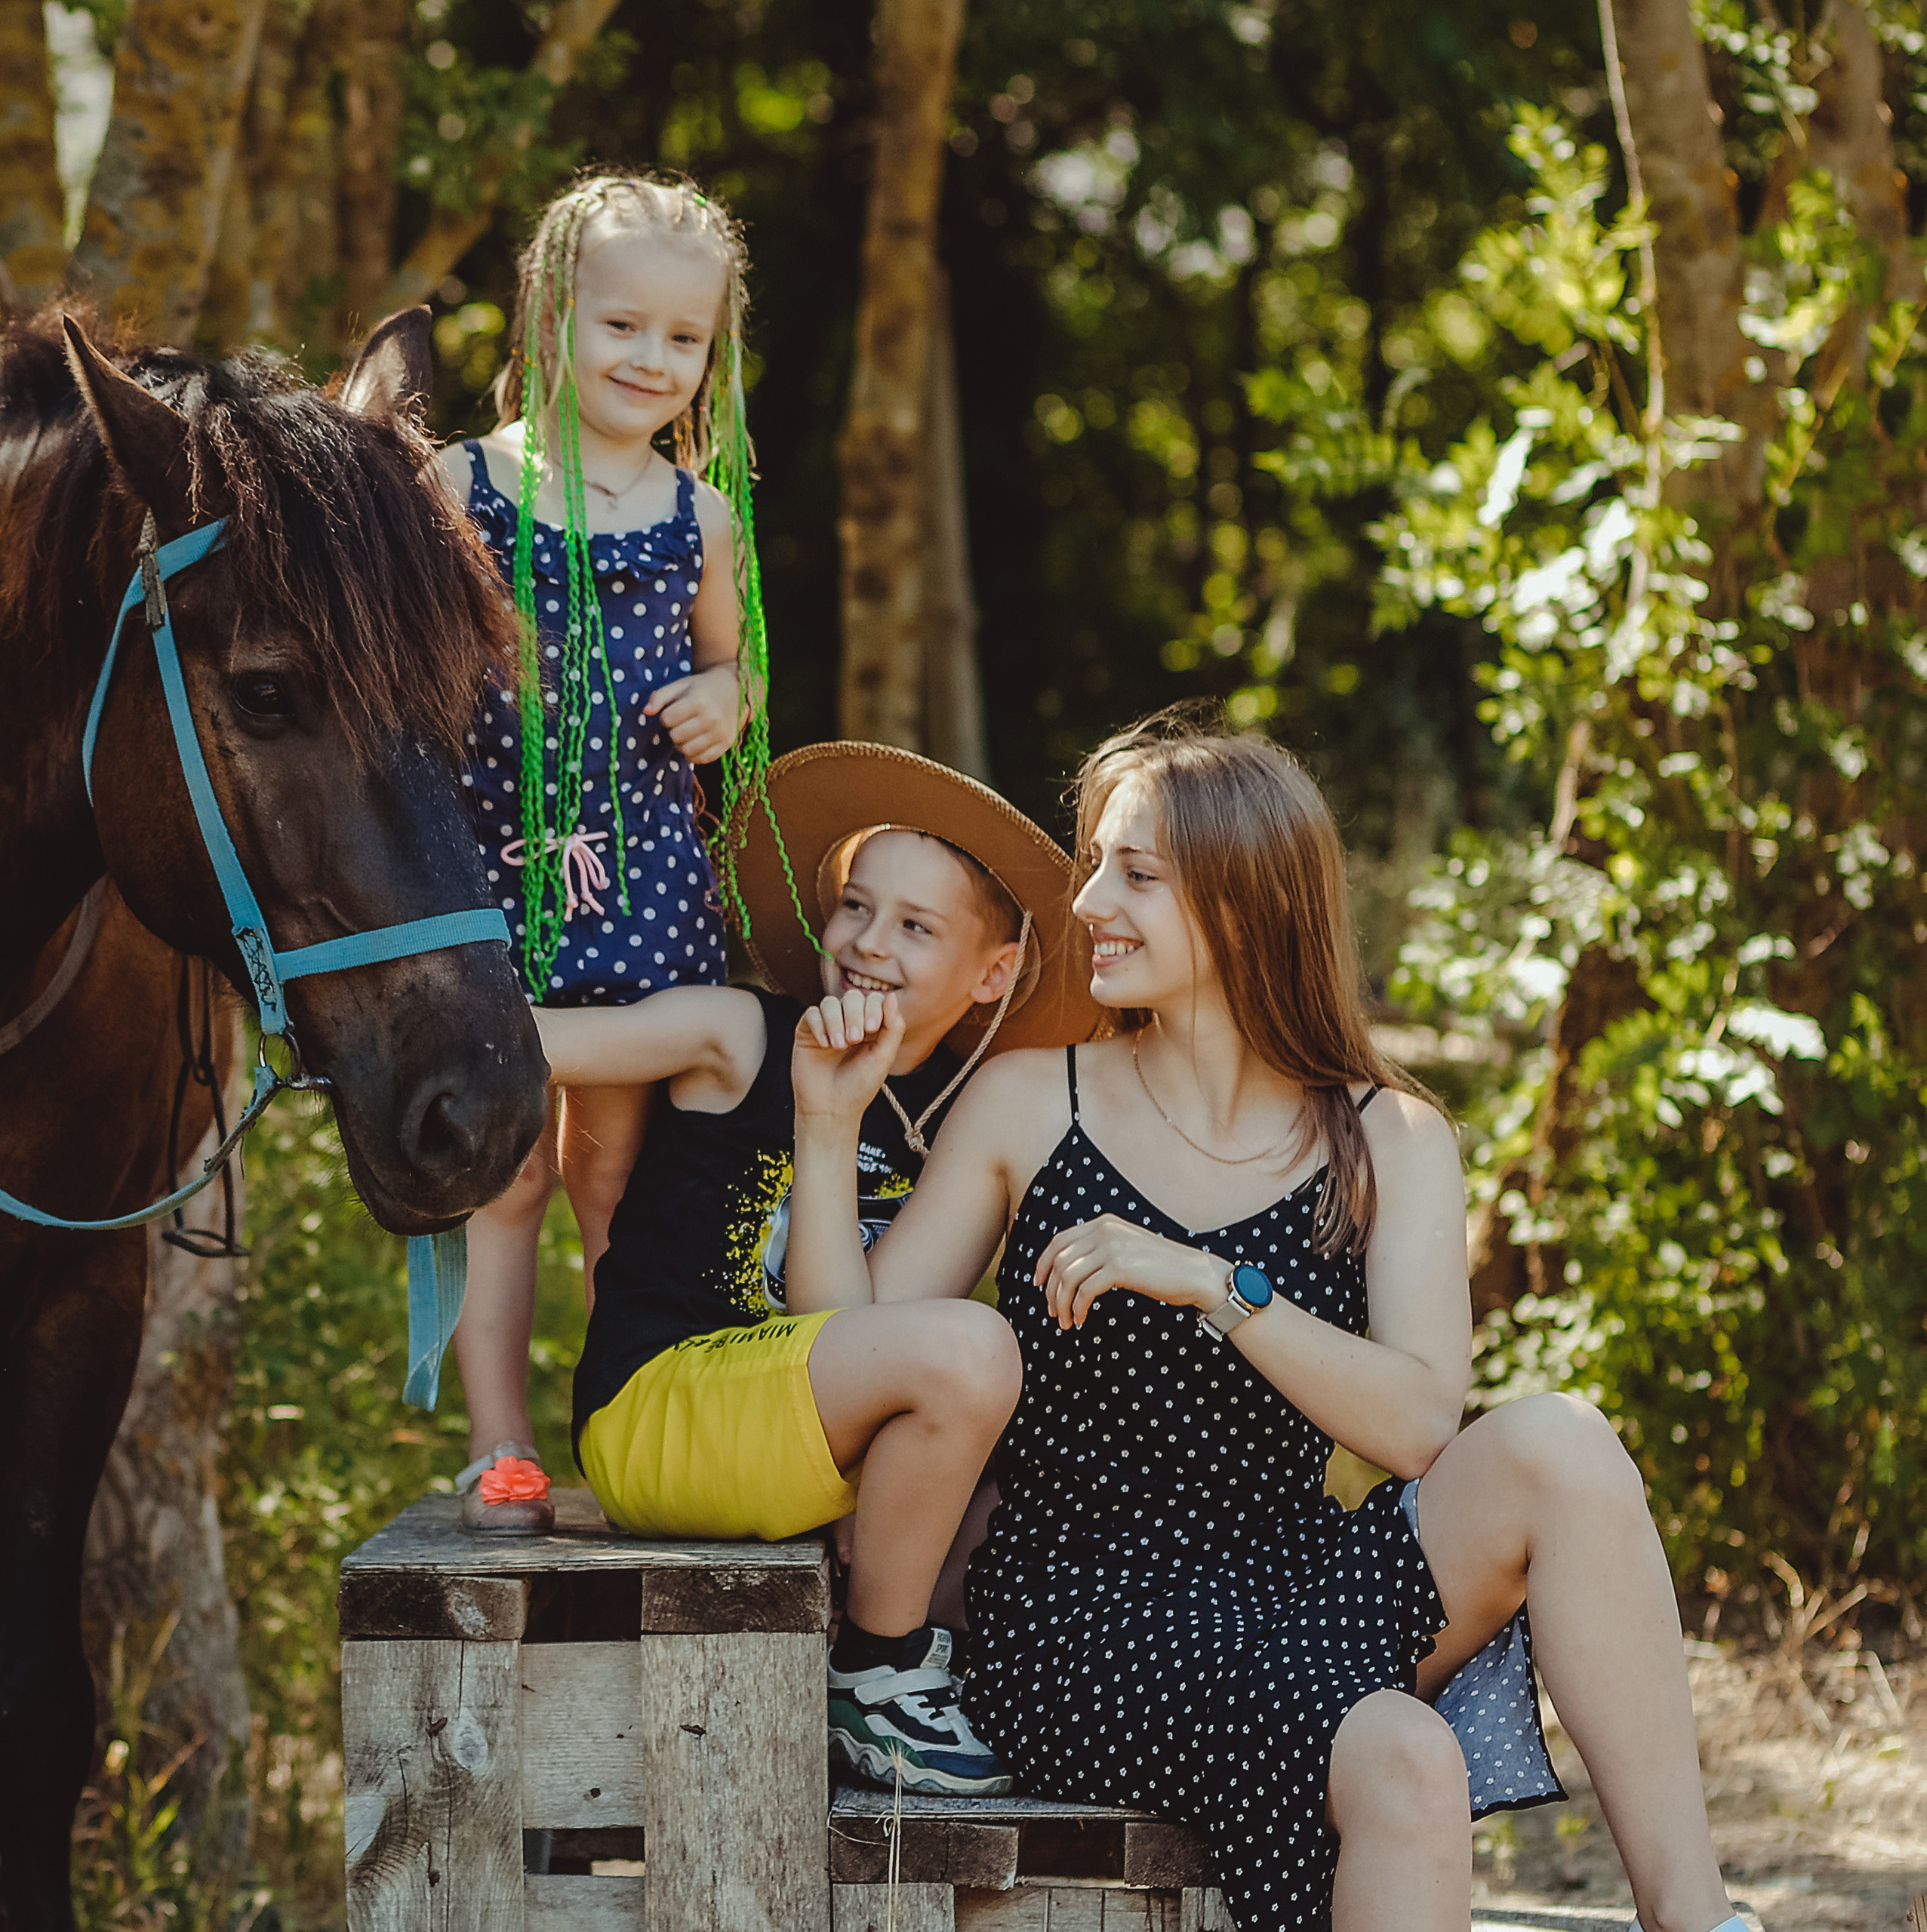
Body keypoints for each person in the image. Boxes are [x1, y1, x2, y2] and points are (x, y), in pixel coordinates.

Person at [783, 711, 1750, 1932]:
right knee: (1403, 1754)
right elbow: (847, 1360)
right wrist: (827, 1126)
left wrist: (1213, 1284)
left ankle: (1702, 1922)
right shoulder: (1030, 1105)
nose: (1087, 904)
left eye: (1135, 874)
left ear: (1246, 903)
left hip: (1303, 1583)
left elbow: (1414, 1427)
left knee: (1559, 1442)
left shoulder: (1388, 1137)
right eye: (1095, 866)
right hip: (1088, 1616)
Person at [532, 741, 1100, 1795]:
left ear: (994, 974)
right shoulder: (737, 1034)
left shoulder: (961, 1122)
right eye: (855, 906)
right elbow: (529, 1046)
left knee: (1053, 1495)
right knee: (975, 1349)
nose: (866, 943)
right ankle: (876, 1678)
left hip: (802, 1430)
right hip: (660, 1410)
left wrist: (835, 1123)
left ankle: (1001, 1701)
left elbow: (853, 1332)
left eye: (916, 928)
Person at [439, 173, 773, 1531]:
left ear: (714, 352)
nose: (650, 361)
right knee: (507, 1173)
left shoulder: (701, 516)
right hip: (493, 875)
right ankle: (502, 1443)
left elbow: (728, 668)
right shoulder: (462, 482)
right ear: (549, 316)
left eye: (682, 339)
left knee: (612, 1178)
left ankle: (621, 1428)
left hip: (645, 895)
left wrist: (727, 699)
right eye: (619, 326)